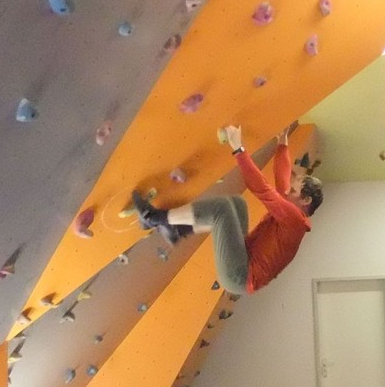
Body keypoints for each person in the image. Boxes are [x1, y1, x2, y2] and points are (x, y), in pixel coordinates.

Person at [132, 125, 322, 296]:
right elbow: (283, 179)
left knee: (221, 210)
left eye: (295, 190)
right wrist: (283, 143)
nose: (289, 190)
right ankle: (177, 230)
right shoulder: (292, 211)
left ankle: (153, 218)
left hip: (239, 275)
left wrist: (238, 148)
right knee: (237, 204)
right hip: (244, 257)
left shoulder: (295, 220)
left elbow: (262, 189)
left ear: (305, 200)